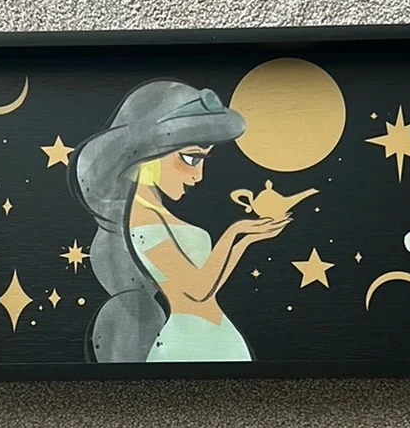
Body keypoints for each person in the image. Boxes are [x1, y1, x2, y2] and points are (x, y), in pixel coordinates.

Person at [70, 81, 289, 363]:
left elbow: (207, 288)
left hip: (211, 335)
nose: (199, 176)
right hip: (189, 342)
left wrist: (244, 239)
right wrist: (235, 233)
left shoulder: (155, 213)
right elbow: (196, 291)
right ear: (148, 151)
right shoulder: (142, 218)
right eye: (190, 158)